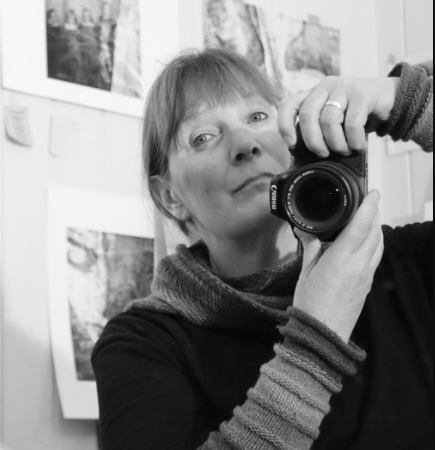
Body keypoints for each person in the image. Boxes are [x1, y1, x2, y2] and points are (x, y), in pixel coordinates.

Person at [92, 49, 433, 449]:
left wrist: (406, 103)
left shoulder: (405, 262)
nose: (245, 143)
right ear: (170, 197)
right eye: (203, 137)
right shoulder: (142, 343)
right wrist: (317, 336)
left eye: (257, 116)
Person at [96, 2, 117, 91]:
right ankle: (106, 79)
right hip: (100, 46)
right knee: (101, 59)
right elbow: (96, 35)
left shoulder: (113, 23)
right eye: (104, 9)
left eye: (107, 9)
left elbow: (114, 36)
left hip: (110, 46)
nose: (106, 11)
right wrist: (102, 44)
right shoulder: (99, 22)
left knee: (106, 56)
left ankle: (108, 77)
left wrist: (107, 45)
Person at [58, 9, 82, 84]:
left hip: (76, 49)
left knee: (76, 61)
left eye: (72, 18)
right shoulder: (64, 27)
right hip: (67, 48)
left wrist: (76, 30)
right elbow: (62, 38)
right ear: (67, 18)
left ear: (74, 18)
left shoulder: (76, 28)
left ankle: (75, 76)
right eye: (69, 18)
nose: (70, 19)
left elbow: (79, 37)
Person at [78, 8, 100, 88]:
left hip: (92, 48)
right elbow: (78, 37)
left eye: (87, 15)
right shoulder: (80, 26)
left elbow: (97, 38)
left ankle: (92, 80)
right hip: (83, 47)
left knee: (93, 59)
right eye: (84, 16)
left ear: (90, 16)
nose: (86, 17)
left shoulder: (94, 26)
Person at [46, 9, 62, 79]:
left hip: (56, 47)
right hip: (50, 50)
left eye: (56, 16)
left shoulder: (55, 25)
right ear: (49, 18)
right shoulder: (47, 26)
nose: (56, 18)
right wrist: (56, 28)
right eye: (54, 16)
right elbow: (55, 37)